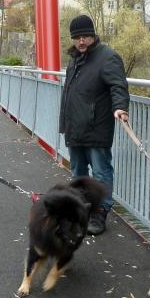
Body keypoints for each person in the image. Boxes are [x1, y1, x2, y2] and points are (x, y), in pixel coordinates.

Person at [59, 15, 130, 236]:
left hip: (96, 127)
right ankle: (81, 211)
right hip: (75, 127)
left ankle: (100, 213)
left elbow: (118, 86)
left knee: (101, 172)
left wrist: (120, 107)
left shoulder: (107, 57)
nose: (81, 41)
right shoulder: (75, 59)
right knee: (78, 171)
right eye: (77, 37)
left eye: (85, 36)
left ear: (93, 35)